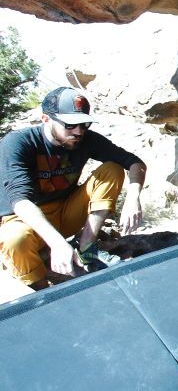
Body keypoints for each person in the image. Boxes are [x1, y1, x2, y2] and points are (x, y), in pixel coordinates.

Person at [0, 87, 146, 288]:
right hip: (25, 221)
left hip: (66, 211)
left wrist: (133, 196)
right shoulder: (18, 143)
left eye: (84, 124)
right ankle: (40, 289)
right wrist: (57, 243)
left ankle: (86, 247)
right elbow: (20, 200)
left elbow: (134, 162)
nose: (78, 131)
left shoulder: (86, 139)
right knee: (13, 240)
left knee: (112, 169)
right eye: (70, 125)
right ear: (46, 119)